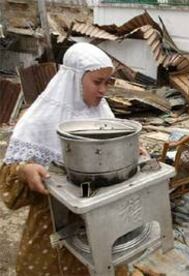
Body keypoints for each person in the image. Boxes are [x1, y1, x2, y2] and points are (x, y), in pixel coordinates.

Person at [0, 42, 129, 275]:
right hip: (53, 224)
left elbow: (114, 156)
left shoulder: (103, 114)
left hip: (99, 220)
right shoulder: (39, 121)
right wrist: (24, 170)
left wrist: (129, 152)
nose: (103, 90)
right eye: (97, 82)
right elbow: (9, 182)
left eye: (107, 82)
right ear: (74, 79)